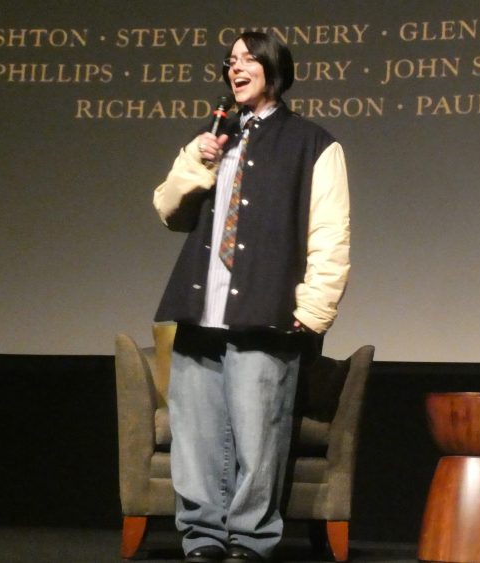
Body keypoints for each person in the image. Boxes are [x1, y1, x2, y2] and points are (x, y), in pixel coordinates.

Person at [152, 32, 350, 563]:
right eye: (230, 61)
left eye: (248, 59)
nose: (235, 68)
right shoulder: (212, 137)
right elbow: (169, 210)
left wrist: (314, 310)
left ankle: (249, 539)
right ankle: (201, 536)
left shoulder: (312, 143)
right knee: (196, 432)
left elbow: (330, 233)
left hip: (266, 309)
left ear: (273, 68)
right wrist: (198, 162)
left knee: (259, 434)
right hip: (201, 308)